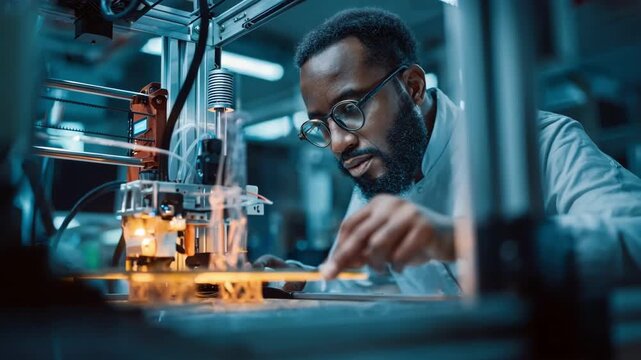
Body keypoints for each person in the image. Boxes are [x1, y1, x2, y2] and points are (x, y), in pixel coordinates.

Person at [254, 8, 641, 295]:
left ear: (413, 87)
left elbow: (634, 237)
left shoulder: (540, 142)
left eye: (350, 110)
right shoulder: (377, 179)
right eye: (322, 126)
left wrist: (469, 241)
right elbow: (366, 286)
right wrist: (302, 280)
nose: (338, 144)